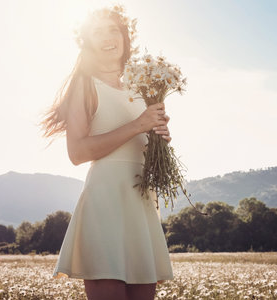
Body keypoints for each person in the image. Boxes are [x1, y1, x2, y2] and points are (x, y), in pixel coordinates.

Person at [40, 5, 174, 300]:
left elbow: (143, 140)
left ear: (126, 37)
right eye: (97, 32)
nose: (107, 37)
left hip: (140, 205)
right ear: (87, 41)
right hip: (105, 205)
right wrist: (138, 124)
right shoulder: (84, 86)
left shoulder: (143, 88)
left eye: (113, 29)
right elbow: (76, 152)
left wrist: (160, 137)